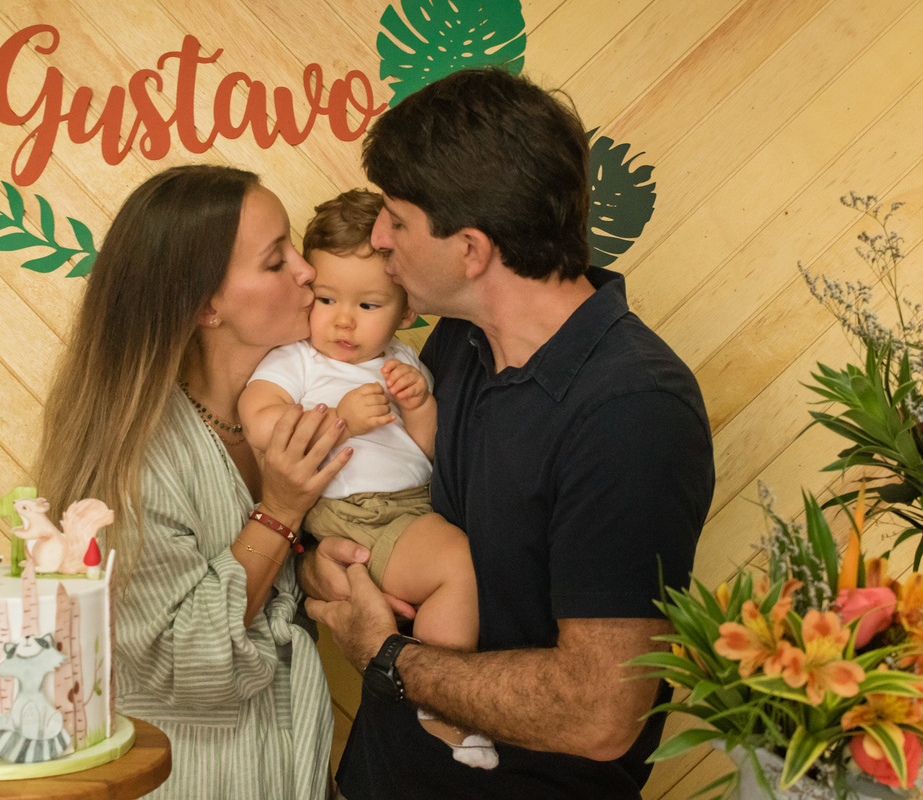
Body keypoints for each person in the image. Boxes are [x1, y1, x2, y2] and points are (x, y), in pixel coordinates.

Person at [302, 68, 716, 799]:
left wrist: (383, 652)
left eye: (396, 218)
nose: (378, 237)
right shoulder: (454, 345)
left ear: (470, 249)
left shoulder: (632, 409)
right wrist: (332, 566)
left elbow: (599, 711)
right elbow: (393, 526)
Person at [34, 165, 352, 800]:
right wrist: (280, 510)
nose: (307, 270)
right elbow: (186, 662)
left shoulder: (311, 400)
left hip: (287, 762)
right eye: (274, 261)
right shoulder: (136, 458)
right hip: (188, 776)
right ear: (209, 305)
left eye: (293, 247)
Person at [239, 190, 494, 768]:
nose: (343, 320)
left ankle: (431, 684)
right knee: (459, 565)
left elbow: (429, 453)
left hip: (409, 504)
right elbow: (261, 422)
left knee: (461, 565)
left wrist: (422, 405)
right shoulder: (298, 359)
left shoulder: (404, 362)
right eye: (326, 298)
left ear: (406, 310)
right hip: (355, 508)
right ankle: (444, 708)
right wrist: (339, 421)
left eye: (370, 305)